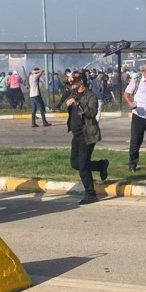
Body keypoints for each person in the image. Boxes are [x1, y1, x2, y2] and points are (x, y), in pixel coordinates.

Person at [63, 71, 109, 203]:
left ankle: (90, 194)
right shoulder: (74, 93)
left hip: (87, 135)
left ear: (81, 82)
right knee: (75, 164)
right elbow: (66, 82)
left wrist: (77, 102)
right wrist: (68, 77)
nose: (71, 84)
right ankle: (101, 165)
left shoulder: (91, 96)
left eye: (74, 81)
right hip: (76, 135)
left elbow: (91, 112)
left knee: (83, 166)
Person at [124, 59, 146, 173]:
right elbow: (126, 94)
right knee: (135, 141)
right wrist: (130, 103)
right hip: (139, 115)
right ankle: (132, 164)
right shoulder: (138, 79)